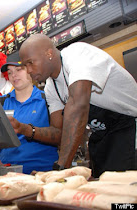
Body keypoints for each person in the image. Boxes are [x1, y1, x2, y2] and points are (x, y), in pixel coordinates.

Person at [19, 34, 137, 177]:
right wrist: (23, 128)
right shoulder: (51, 86)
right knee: (106, 192)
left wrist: (60, 170)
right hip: (104, 137)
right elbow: (59, 132)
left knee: (127, 192)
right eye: (25, 66)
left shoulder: (77, 54)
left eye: (30, 62)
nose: (28, 70)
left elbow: (78, 106)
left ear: (49, 53)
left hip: (130, 125)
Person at [0, 62, 58, 174]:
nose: (14, 75)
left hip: (41, 173)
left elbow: (60, 135)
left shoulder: (48, 99)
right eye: (10, 72)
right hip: (8, 175)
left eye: (19, 70)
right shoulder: (0, 103)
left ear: (31, 71)